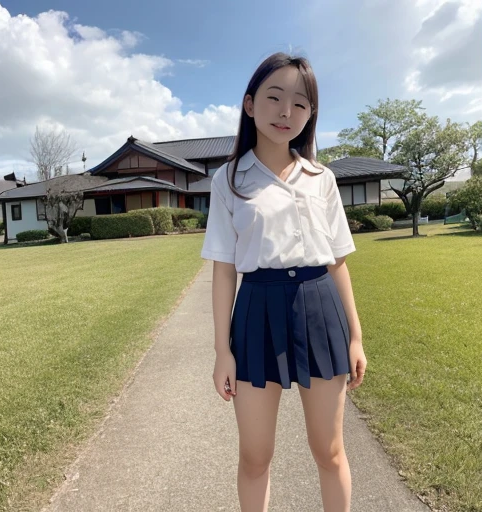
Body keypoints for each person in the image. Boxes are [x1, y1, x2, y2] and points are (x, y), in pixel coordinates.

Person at [200, 52, 366, 512]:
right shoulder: (228, 180)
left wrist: (355, 336)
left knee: (328, 450)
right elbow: (223, 268)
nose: (285, 111)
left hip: (320, 307)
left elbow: (338, 262)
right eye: (274, 97)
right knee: (255, 457)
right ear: (250, 104)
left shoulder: (322, 179)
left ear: (310, 115)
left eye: (300, 103)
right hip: (256, 310)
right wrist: (222, 351)